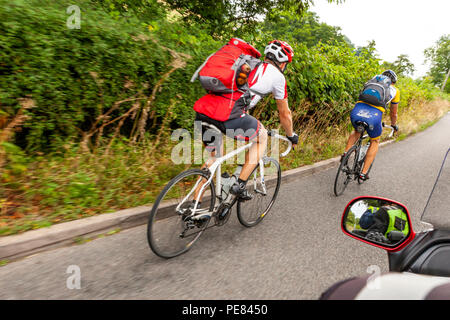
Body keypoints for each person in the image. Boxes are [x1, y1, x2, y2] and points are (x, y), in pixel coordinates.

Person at [193, 40, 299, 205]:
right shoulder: (278, 77)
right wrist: (291, 135)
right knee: (262, 136)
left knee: (214, 159)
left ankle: (194, 205)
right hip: (228, 115)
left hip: (203, 111)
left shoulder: (246, 63)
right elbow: (285, 114)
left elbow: (239, 94)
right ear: (284, 63)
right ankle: (239, 186)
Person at [342, 70, 400, 181]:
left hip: (357, 111)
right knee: (375, 141)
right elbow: (393, 113)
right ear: (394, 82)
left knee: (356, 131)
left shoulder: (372, 83)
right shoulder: (395, 90)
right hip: (374, 116)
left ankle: (345, 155)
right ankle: (363, 173)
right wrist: (393, 125)